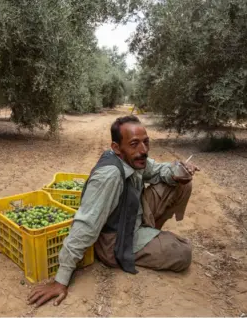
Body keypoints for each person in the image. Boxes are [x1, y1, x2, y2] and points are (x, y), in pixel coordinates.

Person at [28, 115, 199, 307]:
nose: (143, 150)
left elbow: (158, 170)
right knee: (183, 253)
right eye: (134, 144)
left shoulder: (135, 158)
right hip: (116, 240)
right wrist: (61, 279)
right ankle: (146, 240)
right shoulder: (109, 177)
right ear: (116, 148)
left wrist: (178, 170)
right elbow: (86, 225)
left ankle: (151, 235)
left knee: (181, 183)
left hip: (133, 215)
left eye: (146, 142)